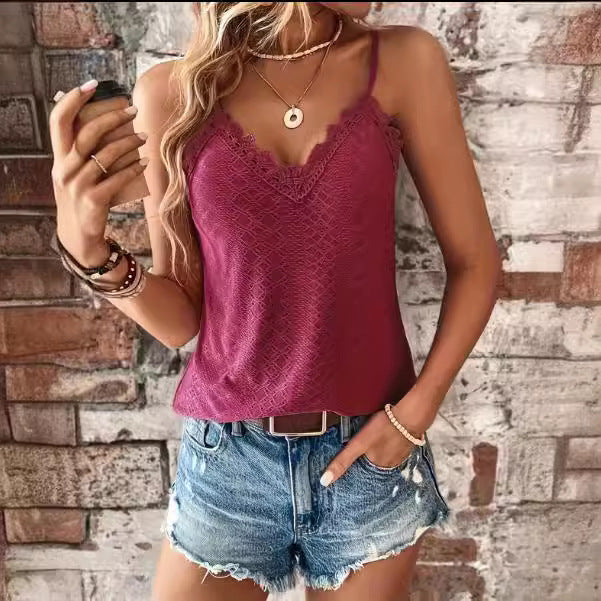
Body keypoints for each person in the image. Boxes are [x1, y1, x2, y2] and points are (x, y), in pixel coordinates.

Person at [48, 2, 501, 600]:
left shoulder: (403, 62)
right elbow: (180, 318)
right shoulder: (171, 94)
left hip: (369, 456)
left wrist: (411, 418)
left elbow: (476, 263)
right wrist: (88, 249)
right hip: (228, 461)